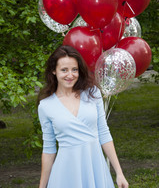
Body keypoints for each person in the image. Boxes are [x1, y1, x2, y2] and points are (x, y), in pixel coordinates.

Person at [38, 45, 129, 188]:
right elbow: (49, 149)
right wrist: (42, 186)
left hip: (95, 167)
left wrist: (119, 172)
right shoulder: (46, 106)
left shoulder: (93, 93)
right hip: (66, 173)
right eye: (64, 70)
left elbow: (104, 133)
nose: (70, 75)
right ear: (53, 71)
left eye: (74, 69)